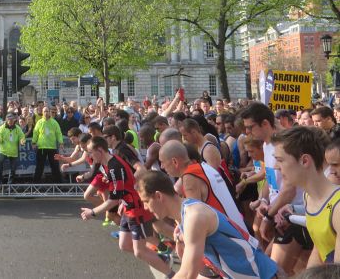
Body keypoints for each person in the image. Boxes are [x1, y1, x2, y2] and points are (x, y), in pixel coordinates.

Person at [138, 170, 279, 279]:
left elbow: (188, 274)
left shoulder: (194, 216)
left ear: (158, 196)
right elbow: (201, 270)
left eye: (145, 201)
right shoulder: (184, 217)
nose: (144, 208)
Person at [80, 137, 175, 277]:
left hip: (136, 208)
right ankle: (163, 257)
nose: (89, 156)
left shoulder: (114, 167)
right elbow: (123, 187)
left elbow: (113, 199)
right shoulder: (108, 163)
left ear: (100, 150)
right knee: (124, 244)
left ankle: (172, 274)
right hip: (127, 206)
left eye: (90, 152)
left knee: (140, 249)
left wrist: (92, 212)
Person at [241, 102, 312, 275]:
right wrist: (264, 200)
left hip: (293, 216)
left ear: (265, 123)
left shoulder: (285, 144)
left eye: (250, 128)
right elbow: (270, 178)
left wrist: (268, 216)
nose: (247, 133)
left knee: (273, 271)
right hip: (281, 214)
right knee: (297, 270)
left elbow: (289, 190)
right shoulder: (266, 144)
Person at [272, 126, 340, 266]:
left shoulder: (338, 208)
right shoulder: (307, 198)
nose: (276, 167)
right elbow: (319, 248)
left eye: (280, 160)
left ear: (304, 161)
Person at [159, 140, 247, 232]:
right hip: (237, 231)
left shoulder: (190, 178)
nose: (161, 167)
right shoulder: (202, 167)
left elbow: (196, 221)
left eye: (162, 162)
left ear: (174, 161)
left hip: (231, 237)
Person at [32, 106, 63, 183]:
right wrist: (33, 142)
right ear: (42, 112)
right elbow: (35, 133)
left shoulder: (54, 122)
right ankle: (35, 184)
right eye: (44, 111)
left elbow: (58, 133)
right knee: (39, 167)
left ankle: (58, 184)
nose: (46, 113)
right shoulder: (39, 122)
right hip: (41, 148)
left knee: (55, 167)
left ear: (50, 112)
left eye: (47, 111)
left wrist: (61, 142)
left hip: (52, 148)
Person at [0, 113, 26, 187]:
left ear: (14, 120)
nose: (11, 121)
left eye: (12, 120)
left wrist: (22, 141)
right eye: (9, 120)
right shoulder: (2, 128)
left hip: (13, 152)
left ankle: (10, 184)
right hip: (3, 151)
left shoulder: (17, 128)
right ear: (6, 120)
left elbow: (22, 136)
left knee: (13, 169)